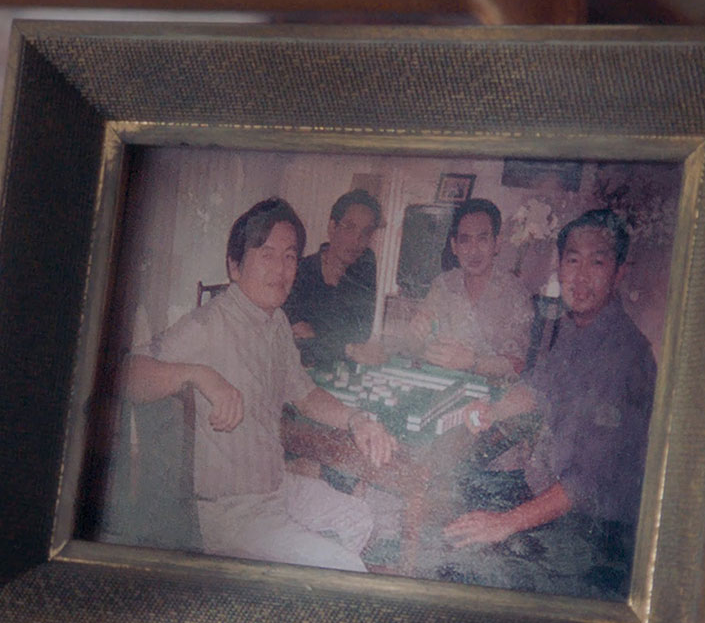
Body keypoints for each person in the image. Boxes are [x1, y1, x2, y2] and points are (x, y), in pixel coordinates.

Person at [122, 198, 396, 573]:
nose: (281, 269)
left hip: (275, 488)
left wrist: (357, 419)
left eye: (289, 256)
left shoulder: (276, 322)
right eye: (266, 255)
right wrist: (199, 374)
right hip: (230, 511)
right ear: (235, 266)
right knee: (346, 567)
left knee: (360, 517)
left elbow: (305, 394)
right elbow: (128, 375)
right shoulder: (208, 324)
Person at [432, 209, 657, 600]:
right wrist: (493, 410)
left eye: (597, 263)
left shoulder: (625, 355)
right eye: (573, 261)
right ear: (560, 266)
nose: (581, 277)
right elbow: (537, 387)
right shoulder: (575, 328)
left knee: (463, 566)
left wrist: (504, 523)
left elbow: (585, 483)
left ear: (619, 271)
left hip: (595, 537)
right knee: (451, 522)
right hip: (552, 503)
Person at [404, 198, 533, 379]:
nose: (473, 251)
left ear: (497, 243)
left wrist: (474, 362)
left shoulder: (515, 294)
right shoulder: (443, 285)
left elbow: (518, 364)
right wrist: (415, 335)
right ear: (454, 246)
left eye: (482, 239)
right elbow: (416, 345)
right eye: (465, 241)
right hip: (440, 382)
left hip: (490, 391)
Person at [282, 189, 382, 370]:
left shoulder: (364, 269)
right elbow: (300, 342)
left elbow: (360, 335)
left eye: (366, 232)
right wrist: (344, 347)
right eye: (349, 227)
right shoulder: (300, 272)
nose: (357, 240)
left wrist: (317, 338)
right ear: (332, 227)